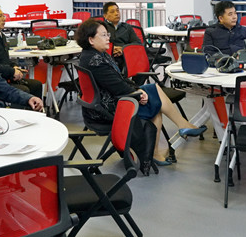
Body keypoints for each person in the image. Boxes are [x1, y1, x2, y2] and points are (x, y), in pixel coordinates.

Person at [76, 19, 206, 165]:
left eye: (108, 34)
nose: (108, 38)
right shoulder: (95, 60)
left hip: (106, 102)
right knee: (154, 99)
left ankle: (161, 147)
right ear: (91, 40)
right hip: (107, 109)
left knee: (154, 95)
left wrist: (137, 90)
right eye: (104, 35)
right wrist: (137, 94)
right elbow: (118, 86)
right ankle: (175, 133)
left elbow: (120, 80)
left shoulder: (94, 55)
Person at [0, 4, 43, 98]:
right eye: (0, 16)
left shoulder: (1, 35)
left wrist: (14, 66)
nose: (4, 19)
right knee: (23, 91)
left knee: (36, 85)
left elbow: (3, 59)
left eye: (3, 16)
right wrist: (11, 71)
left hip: (5, 77)